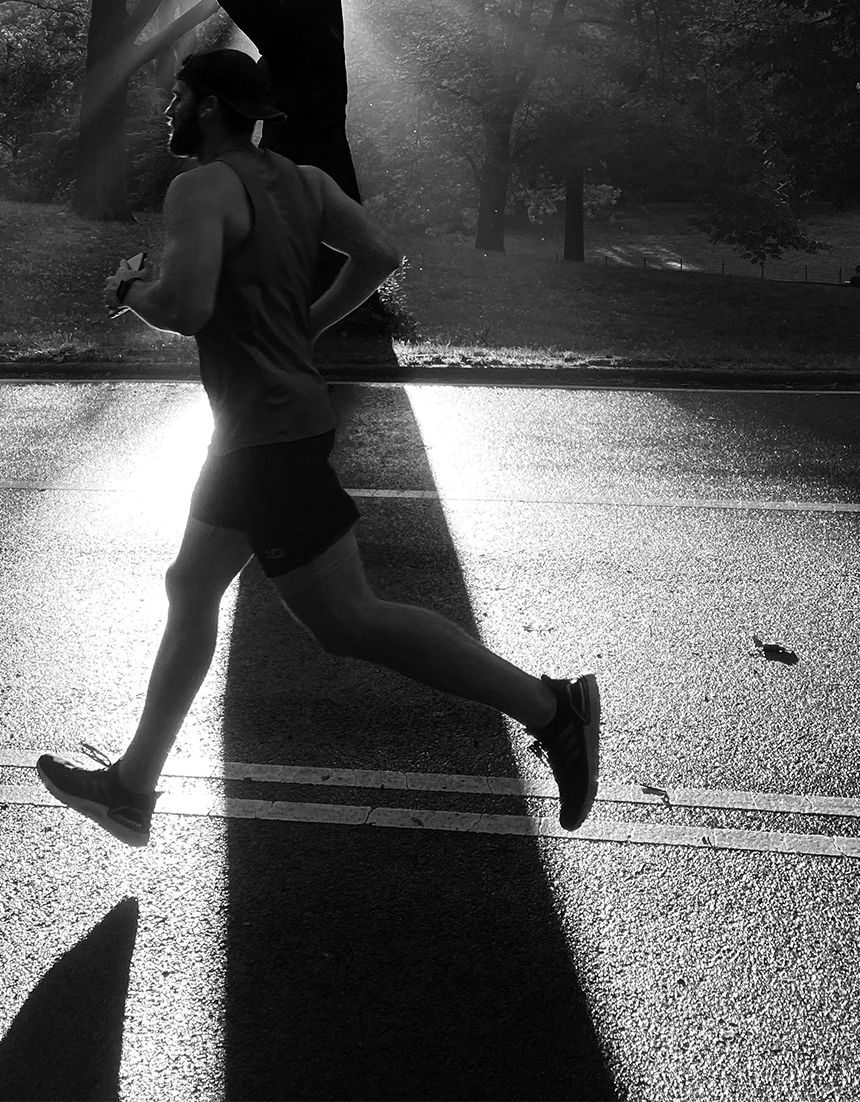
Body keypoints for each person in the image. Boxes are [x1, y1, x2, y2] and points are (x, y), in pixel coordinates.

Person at [36, 48, 600, 845]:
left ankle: (553, 709)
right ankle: (132, 787)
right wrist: (307, 326)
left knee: (350, 621)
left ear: (208, 107)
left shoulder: (199, 189)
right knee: (190, 586)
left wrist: (128, 291)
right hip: (263, 427)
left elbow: (190, 306)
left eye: (178, 96)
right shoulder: (304, 183)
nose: (169, 110)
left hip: (265, 436)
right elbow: (379, 256)